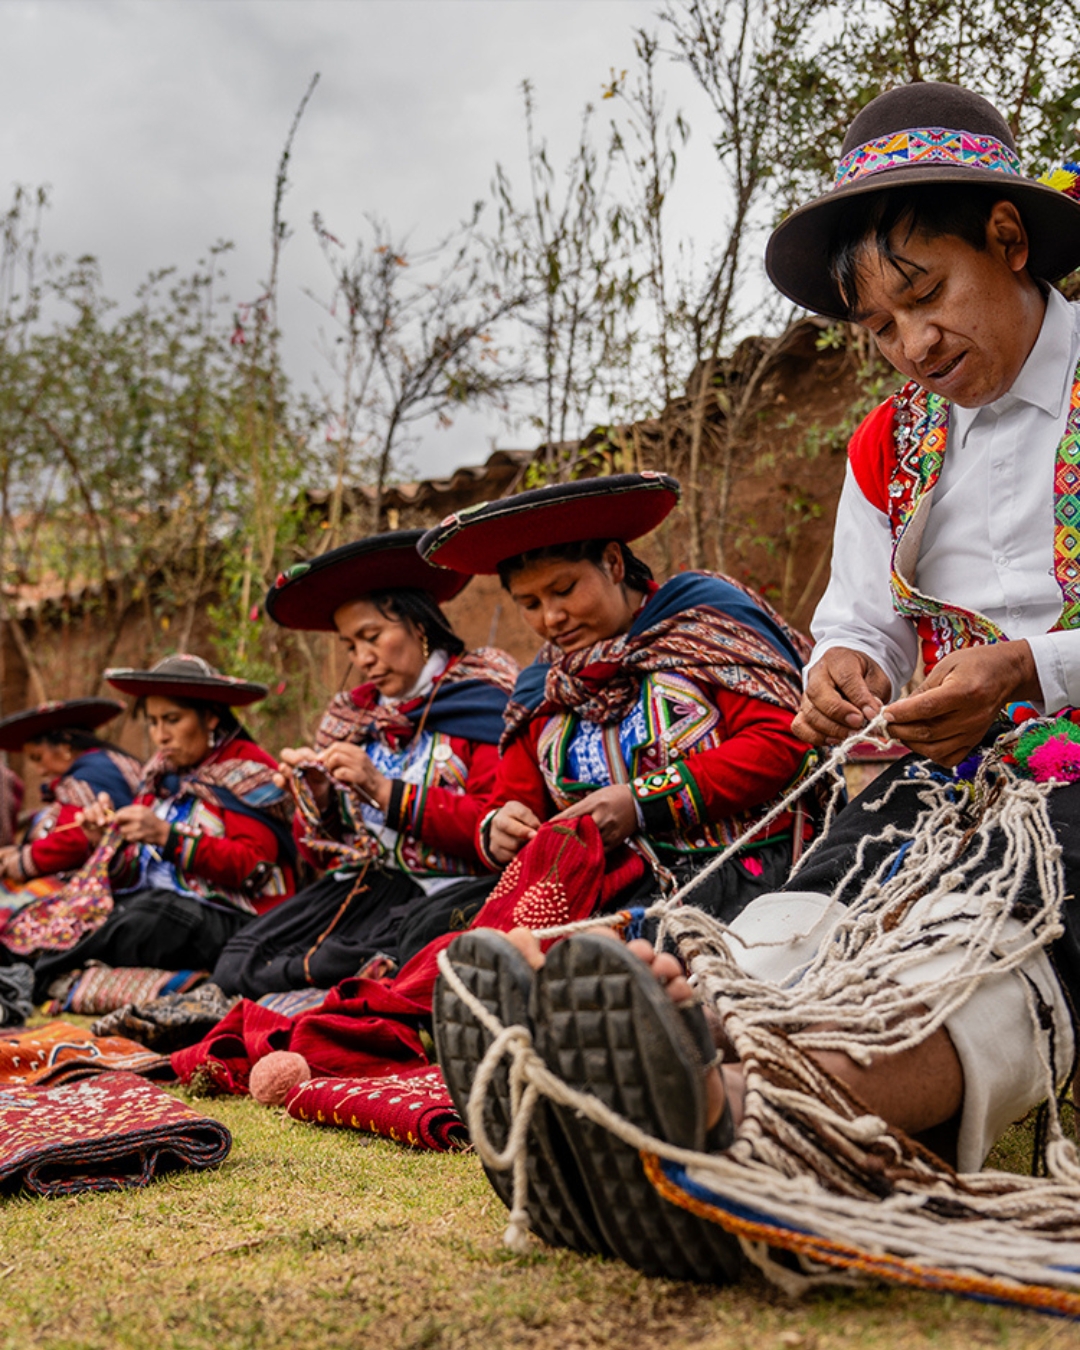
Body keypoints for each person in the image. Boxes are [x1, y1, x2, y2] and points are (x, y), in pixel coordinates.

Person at [433, 82, 1080, 1284]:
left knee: (1008, 910)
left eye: (925, 296)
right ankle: (682, 1084)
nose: (912, 347)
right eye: (880, 328)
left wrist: (1033, 667)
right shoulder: (893, 444)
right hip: (936, 769)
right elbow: (859, 619)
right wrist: (847, 668)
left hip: (1069, 784)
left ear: (1009, 236)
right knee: (823, 894)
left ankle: (785, 1120)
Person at [418, 472, 817, 923]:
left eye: (564, 589)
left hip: (746, 871)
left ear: (612, 564)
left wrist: (641, 802)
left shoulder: (702, 626)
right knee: (438, 929)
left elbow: (781, 742)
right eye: (529, 604)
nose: (552, 617)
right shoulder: (543, 686)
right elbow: (513, 801)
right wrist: (500, 828)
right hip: (603, 886)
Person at [210, 530, 519, 998]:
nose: (363, 659)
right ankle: (337, 988)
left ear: (418, 625)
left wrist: (382, 789)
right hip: (370, 887)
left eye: (371, 637)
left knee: (409, 946)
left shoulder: (481, 699)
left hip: (453, 889)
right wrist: (318, 800)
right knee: (239, 959)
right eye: (351, 645)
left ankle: (348, 989)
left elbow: (499, 827)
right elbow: (320, 855)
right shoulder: (353, 718)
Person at [15, 654, 295, 983]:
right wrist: (104, 843)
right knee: (78, 907)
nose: (160, 735)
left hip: (238, 920)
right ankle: (23, 959)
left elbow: (254, 868)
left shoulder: (247, 771)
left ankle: (33, 975)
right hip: (161, 905)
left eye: (172, 719)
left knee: (150, 919)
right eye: (152, 722)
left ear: (210, 717)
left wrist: (167, 836)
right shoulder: (159, 779)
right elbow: (132, 872)